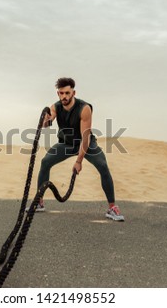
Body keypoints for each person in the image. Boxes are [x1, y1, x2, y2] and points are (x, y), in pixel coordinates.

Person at [29, 77, 124, 221]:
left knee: (103, 166)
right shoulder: (55, 106)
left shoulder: (84, 108)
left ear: (73, 92)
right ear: (58, 94)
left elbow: (85, 138)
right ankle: (39, 202)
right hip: (66, 144)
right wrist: (45, 121)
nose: (64, 96)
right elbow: (49, 122)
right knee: (45, 162)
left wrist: (79, 161)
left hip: (85, 144)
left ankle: (112, 207)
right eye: (61, 93)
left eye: (67, 93)